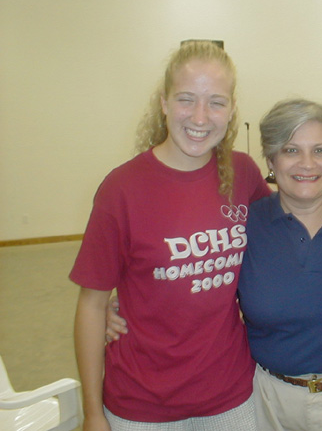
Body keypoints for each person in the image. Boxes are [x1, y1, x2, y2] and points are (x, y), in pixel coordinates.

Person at [106, 98, 322, 431]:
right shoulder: (245, 224)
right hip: (269, 403)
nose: (307, 164)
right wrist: (119, 303)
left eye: (320, 151)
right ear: (270, 159)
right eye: (291, 150)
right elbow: (192, 268)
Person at [71, 40, 271, 431]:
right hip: (140, 405)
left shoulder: (244, 174)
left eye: (216, 101)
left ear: (231, 111)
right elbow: (91, 307)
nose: (200, 116)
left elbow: (288, 223)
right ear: (163, 102)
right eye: (186, 99)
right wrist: (92, 413)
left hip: (229, 396)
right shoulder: (122, 189)